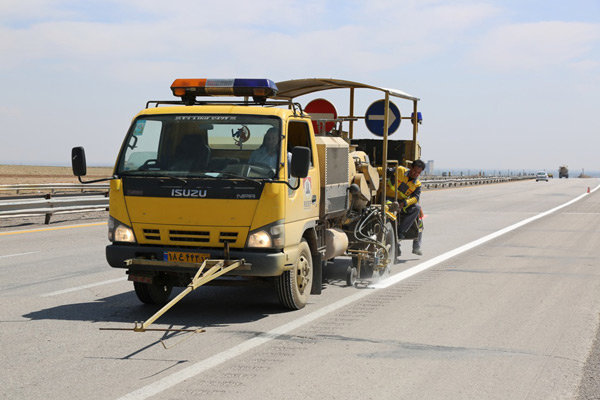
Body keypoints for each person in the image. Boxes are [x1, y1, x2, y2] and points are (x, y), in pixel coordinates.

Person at [386, 159, 426, 257]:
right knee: (387, 212)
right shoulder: (399, 170)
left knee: (417, 210)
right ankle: (395, 244)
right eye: (414, 171)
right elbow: (384, 170)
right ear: (411, 167)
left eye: (418, 173)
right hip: (387, 199)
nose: (415, 174)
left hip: (402, 203)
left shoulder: (417, 184)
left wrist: (405, 203)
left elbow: (416, 198)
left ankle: (402, 233)